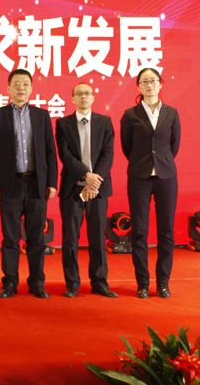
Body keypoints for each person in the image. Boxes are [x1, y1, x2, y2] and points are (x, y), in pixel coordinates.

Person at [0, 69, 57, 299]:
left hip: (37, 184)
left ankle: (37, 282)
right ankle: (9, 282)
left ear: (31, 88)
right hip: (10, 185)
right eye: (16, 84)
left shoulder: (42, 115)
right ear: (8, 88)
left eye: (25, 84)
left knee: (36, 237)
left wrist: (51, 182)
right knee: (10, 237)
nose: (21, 88)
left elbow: (50, 151)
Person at [120, 67, 181, 300]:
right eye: (144, 81)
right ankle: (143, 283)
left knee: (166, 231)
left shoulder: (171, 112)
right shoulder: (130, 114)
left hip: (166, 177)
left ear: (160, 84)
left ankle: (163, 283)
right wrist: (143, 162)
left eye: (153, 81)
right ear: (138, 86)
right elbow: (127, 146)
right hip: (139, 177)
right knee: (139, 231)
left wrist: (161, 161)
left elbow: (174, 145)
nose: (149, 85)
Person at [55, 82, 117, 299]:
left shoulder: (105, 122)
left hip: (98, 187)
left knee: (98, 237)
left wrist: (94, 180)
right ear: (72, 98)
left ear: (93, 98)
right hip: (73, 187)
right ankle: (72, 283)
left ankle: (99, 282)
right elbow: (65, 155)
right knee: (70, 238)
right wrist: (86, 176)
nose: (83, 97)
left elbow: (108, 154)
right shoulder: (62, 124)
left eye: (87, 93)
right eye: (79, 93)